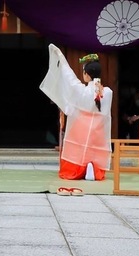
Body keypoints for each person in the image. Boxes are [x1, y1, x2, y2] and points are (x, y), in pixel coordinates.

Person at [39, 44, 112, 181]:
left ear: (87, 74)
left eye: (84, 72)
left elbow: (69, 78)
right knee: (94, 149)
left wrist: (61, 56)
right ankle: (94, 169)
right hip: (98, 130)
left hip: (81, 127)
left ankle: (79, 170)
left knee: (78, 150)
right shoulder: (107, 93)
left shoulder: (82, 90)